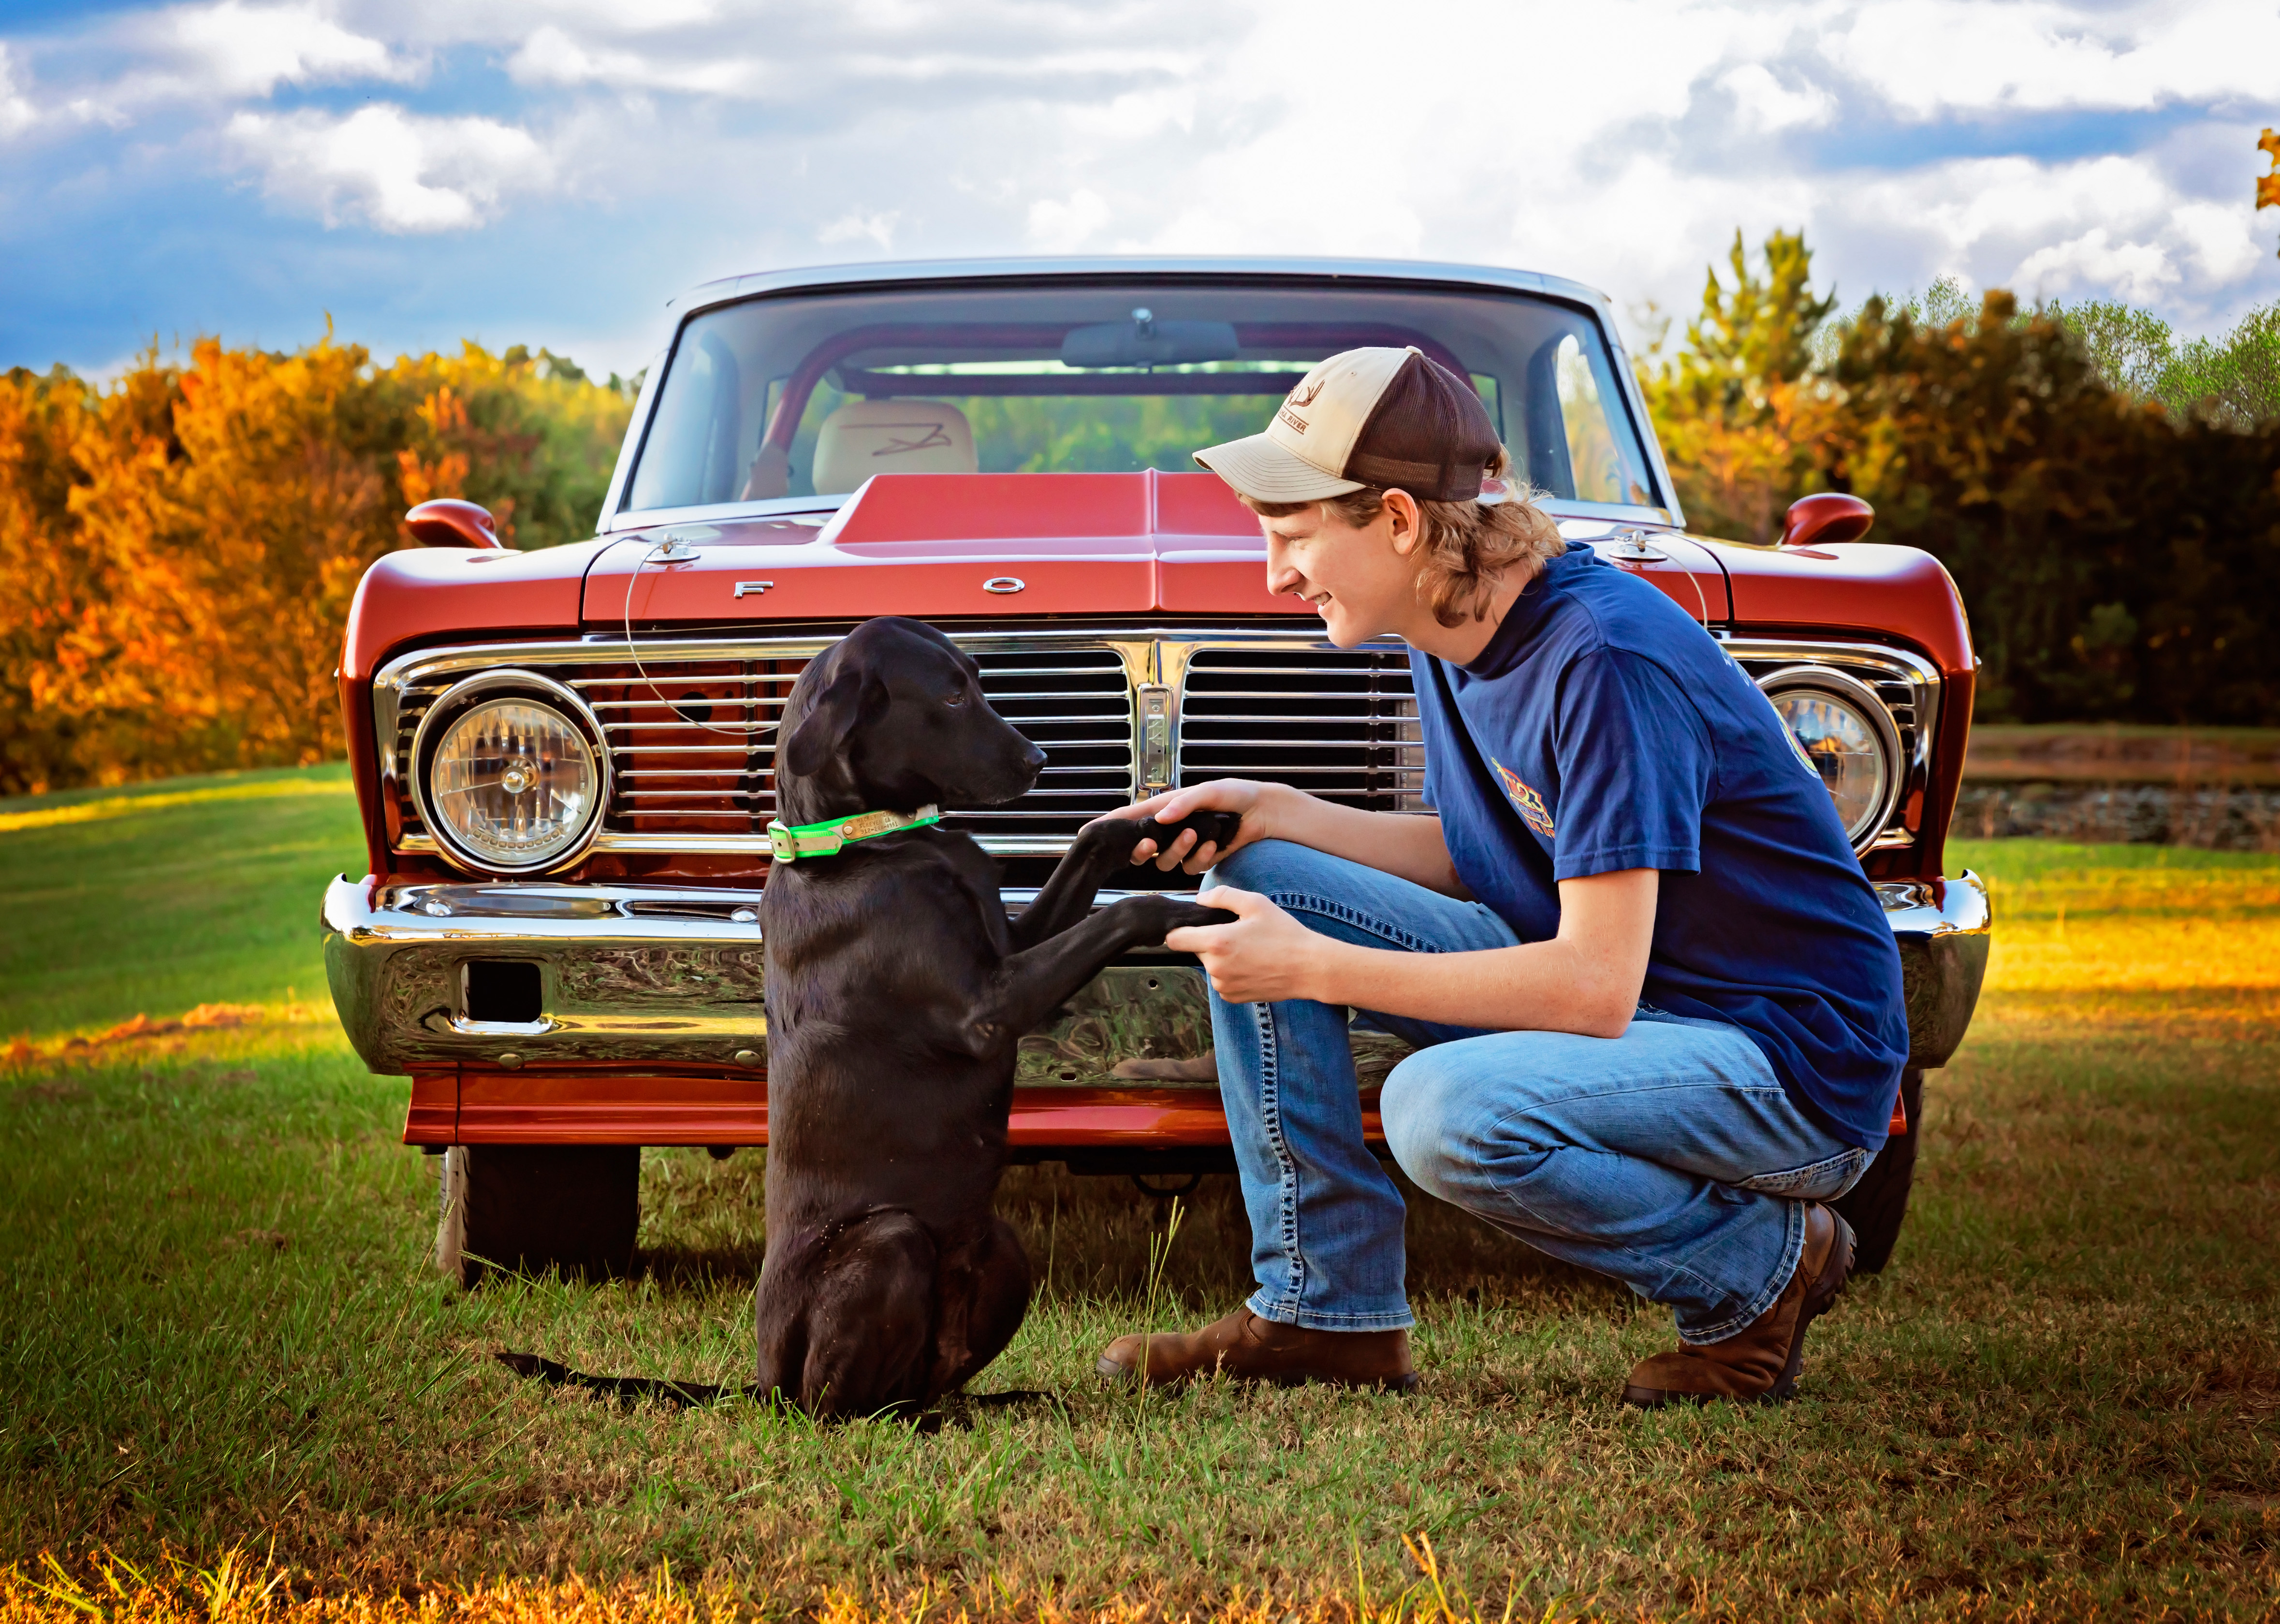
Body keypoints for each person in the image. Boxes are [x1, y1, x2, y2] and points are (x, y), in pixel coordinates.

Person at [1091, 346, 1909, 1406]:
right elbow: (1492, 851)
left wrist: (1317, 970)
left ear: (1397, 519)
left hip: (1787, 1057)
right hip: (1655, 1011)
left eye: (1294, 535)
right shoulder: (1451, 626)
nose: (1275, 573)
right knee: (1264, 875)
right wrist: (1277, 810)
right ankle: (1323, 1311)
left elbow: (1590, 985)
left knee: (1446, 1112)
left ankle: (1758, 1269)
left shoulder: (1604, 661)